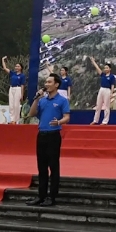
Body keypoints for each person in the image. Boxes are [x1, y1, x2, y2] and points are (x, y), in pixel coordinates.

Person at [28, 73, 71, 206]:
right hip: (41, 135)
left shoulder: (62, 100)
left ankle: (51, 196)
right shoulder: (42, 100)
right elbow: (31, 114)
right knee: (41, 167)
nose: (46, 84)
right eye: (46, 82)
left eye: (49, 82)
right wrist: (36, 99)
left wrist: (59, 122)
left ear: (56, 84)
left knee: (53, 166)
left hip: (53, 135)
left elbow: (67, 117)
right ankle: (41, 196)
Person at [3, 57, 26, 124]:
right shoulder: (13, 73)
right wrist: (3, 60)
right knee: (11, 105)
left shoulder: (22, 76)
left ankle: (16, 120)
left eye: (18, 66)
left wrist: (22, 94)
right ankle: (12, 119)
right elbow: (5, 68)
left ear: (21, 68)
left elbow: (22, 85)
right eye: (16, 66)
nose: (16, 67)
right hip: (11, 88)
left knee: (16, 105)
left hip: (18, 89)